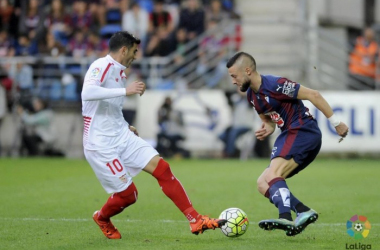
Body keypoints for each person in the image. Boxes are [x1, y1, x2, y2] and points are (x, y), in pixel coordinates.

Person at [81, 31, 226, 240]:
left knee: (162, 168)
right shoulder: (100, 66)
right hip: (100, 144)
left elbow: (108, 110)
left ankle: (195, 220)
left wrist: (125, 125)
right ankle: (102, 217)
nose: (135, 55)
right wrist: (126, 91)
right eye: (134, 51)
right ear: (124, 49)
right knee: (129, 195)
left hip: (121, 135)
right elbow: (88, 93)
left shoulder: (119, 73)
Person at [226, 52, 349, 236]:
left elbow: (312, 94)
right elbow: (268, 120)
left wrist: (336, 123)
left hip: (302, 131)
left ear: (248, 71)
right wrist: (268, 127)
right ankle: (302, 210)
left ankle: (285, 217)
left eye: (234, 76)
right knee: (262, 183)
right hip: (292, 134)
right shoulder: (252, 96)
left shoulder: (276, 84)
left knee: (274, 173)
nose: (233, 81)